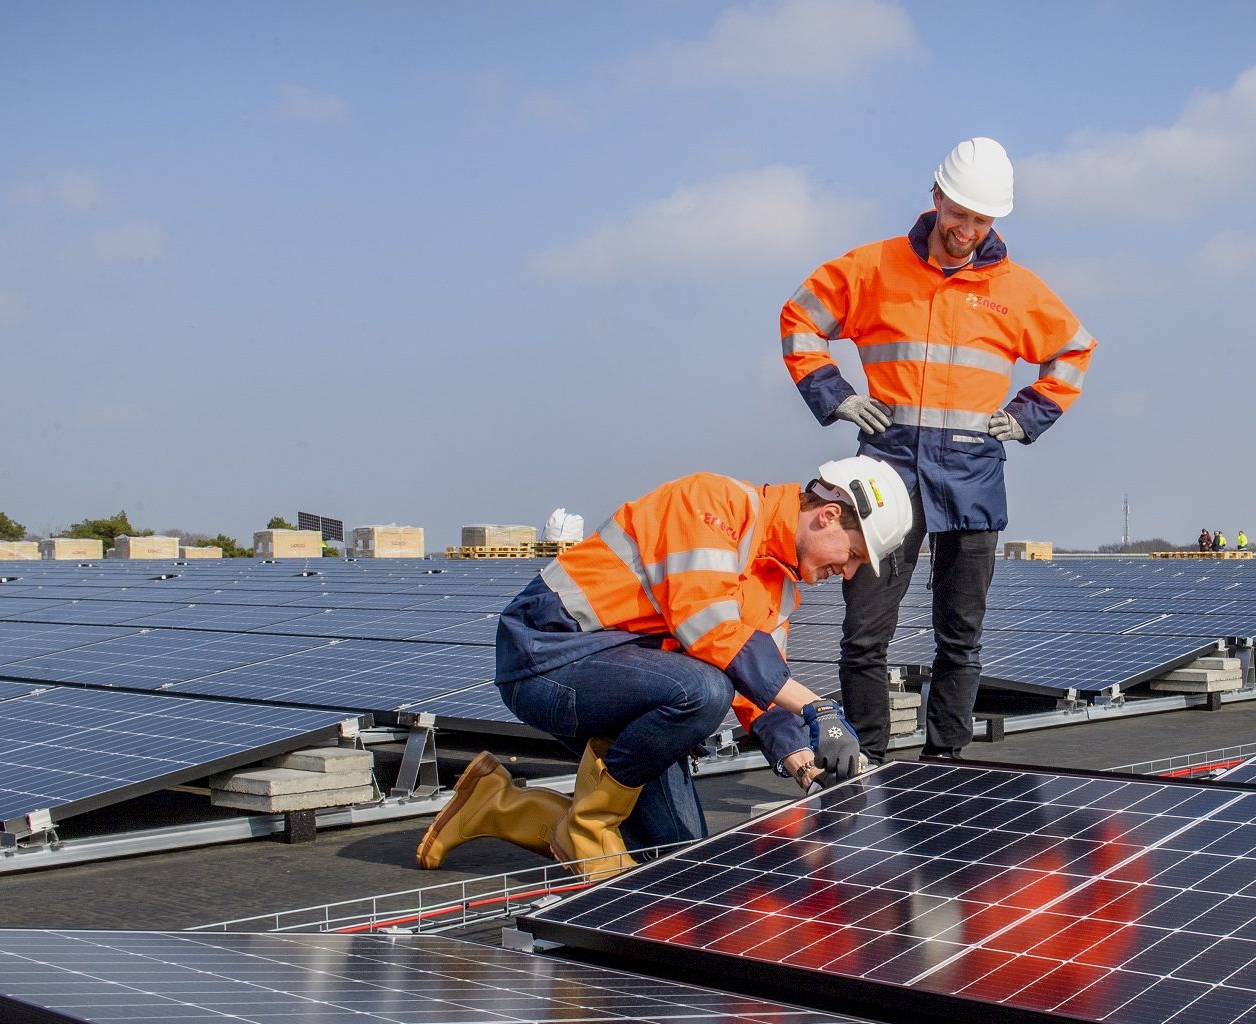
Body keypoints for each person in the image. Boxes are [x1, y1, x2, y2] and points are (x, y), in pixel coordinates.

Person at [416, 457, 914, 879]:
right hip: (546, 659)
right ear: (828, 515)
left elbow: (758, 690)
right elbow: (709, 629)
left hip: (630, 686)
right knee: (704, 690)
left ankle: (496, 806)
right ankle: (588, 826)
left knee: (681, 862)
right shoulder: (715, 504)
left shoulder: (779, 587)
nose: (846, 573)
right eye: (852, 555)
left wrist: (804, 764)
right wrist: (819, 708)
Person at [781, 136, 1095, 763]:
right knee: (864, 633)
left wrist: (1027, 415)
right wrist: (835, 395)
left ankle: (944, 761)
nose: (966, 230)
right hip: (885, 472)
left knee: (962, 635)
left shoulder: (1017, 289)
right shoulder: (873, 268)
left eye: (981, 220)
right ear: (936, 198)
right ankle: (863, 761)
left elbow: (1074, 350)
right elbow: (800, 317)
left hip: (972, 473)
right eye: (959, 214)